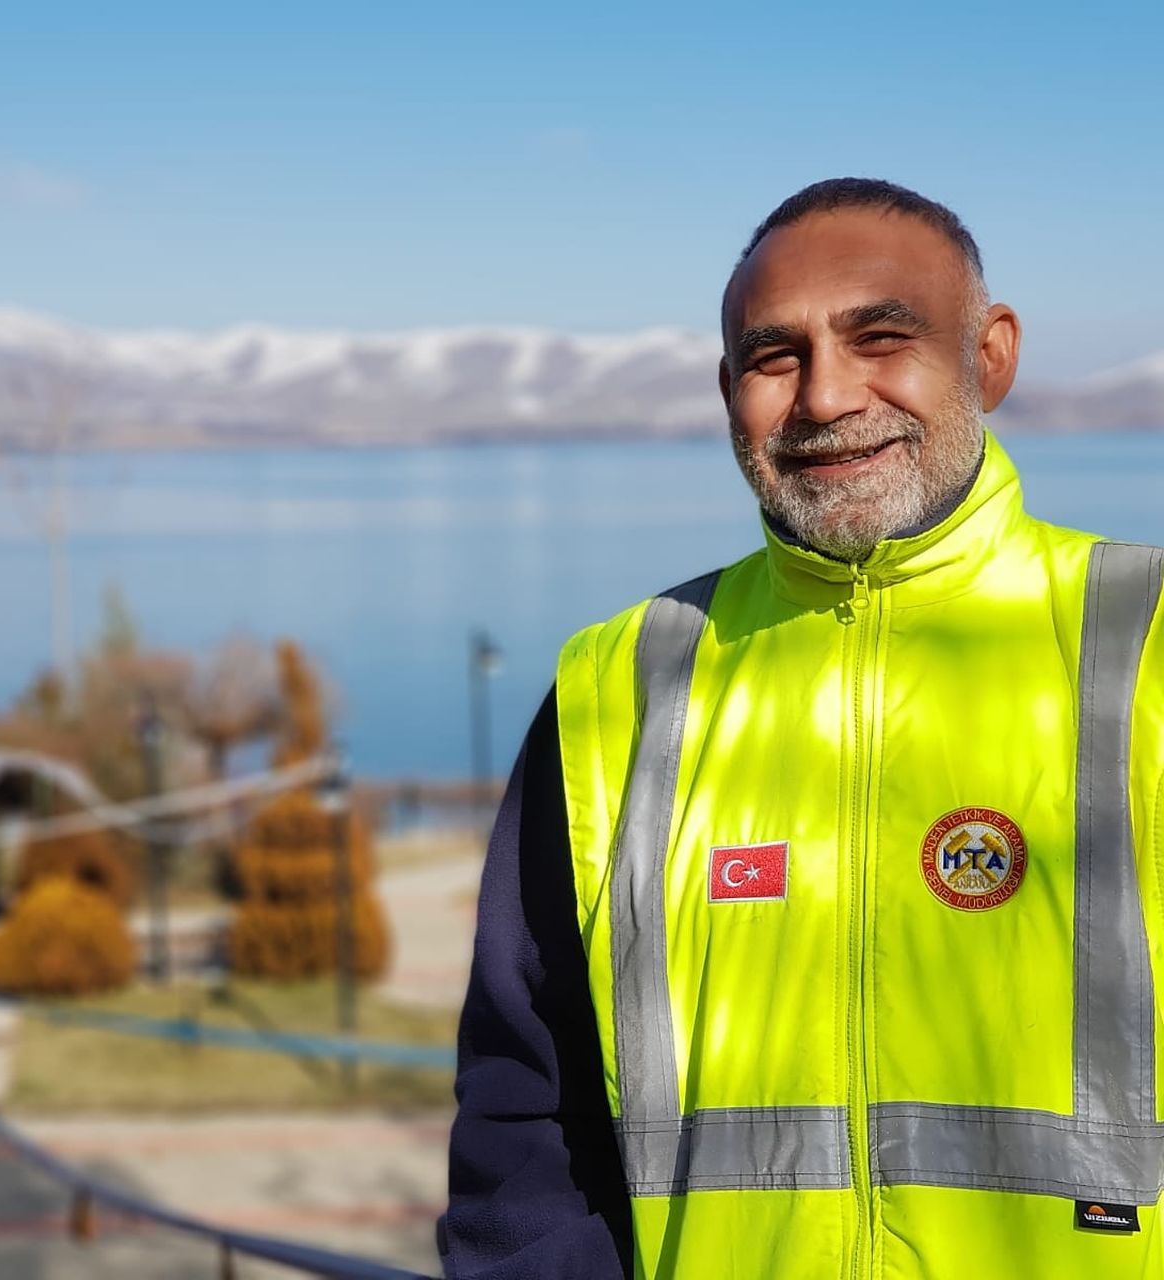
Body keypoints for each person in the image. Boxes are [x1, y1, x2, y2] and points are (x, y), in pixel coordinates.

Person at [438, 178, 1164, 1279]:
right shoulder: (621, 685)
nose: (823, 396)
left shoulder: (1141, 643)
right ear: (728, 388)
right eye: (774, 357)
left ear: (990, 356)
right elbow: (521, 1112)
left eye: (881, 337)